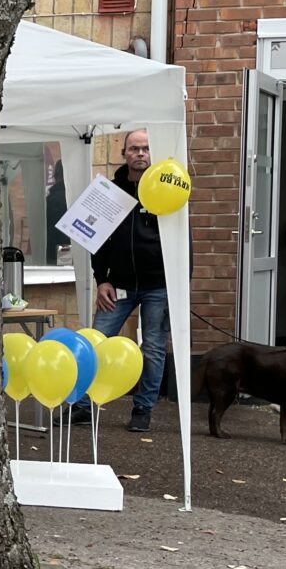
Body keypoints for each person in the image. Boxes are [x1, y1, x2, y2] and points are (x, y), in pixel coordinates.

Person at [87, 128, 171, 432]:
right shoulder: (110, 192)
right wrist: (101, 280)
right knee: (96, 340)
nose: (140, 153)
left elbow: (182, 243)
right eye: (134, 148)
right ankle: (84, 406)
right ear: (124, 153)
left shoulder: (166, 189)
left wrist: (178, 286)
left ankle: (143, 409)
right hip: (117, 285)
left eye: (146, 148)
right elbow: (97, 240)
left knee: (153, 348)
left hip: (158, 287)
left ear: (153, 153)